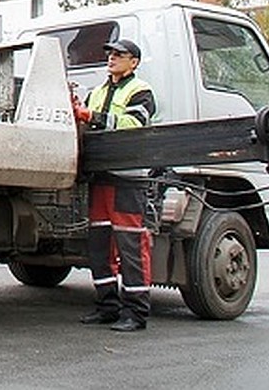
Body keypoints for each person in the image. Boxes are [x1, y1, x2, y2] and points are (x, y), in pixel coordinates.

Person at [72, 38, 157, 333]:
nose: (112, 58)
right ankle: (107, 306)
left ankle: (136, 313)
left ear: (134, 62)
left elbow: (135, 123)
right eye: (110, 53)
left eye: (120, 54)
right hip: (101, 178)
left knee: (131, 246)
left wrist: (91, 116)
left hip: (127, 180)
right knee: (99, 245)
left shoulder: (141, 91)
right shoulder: (97, 92)